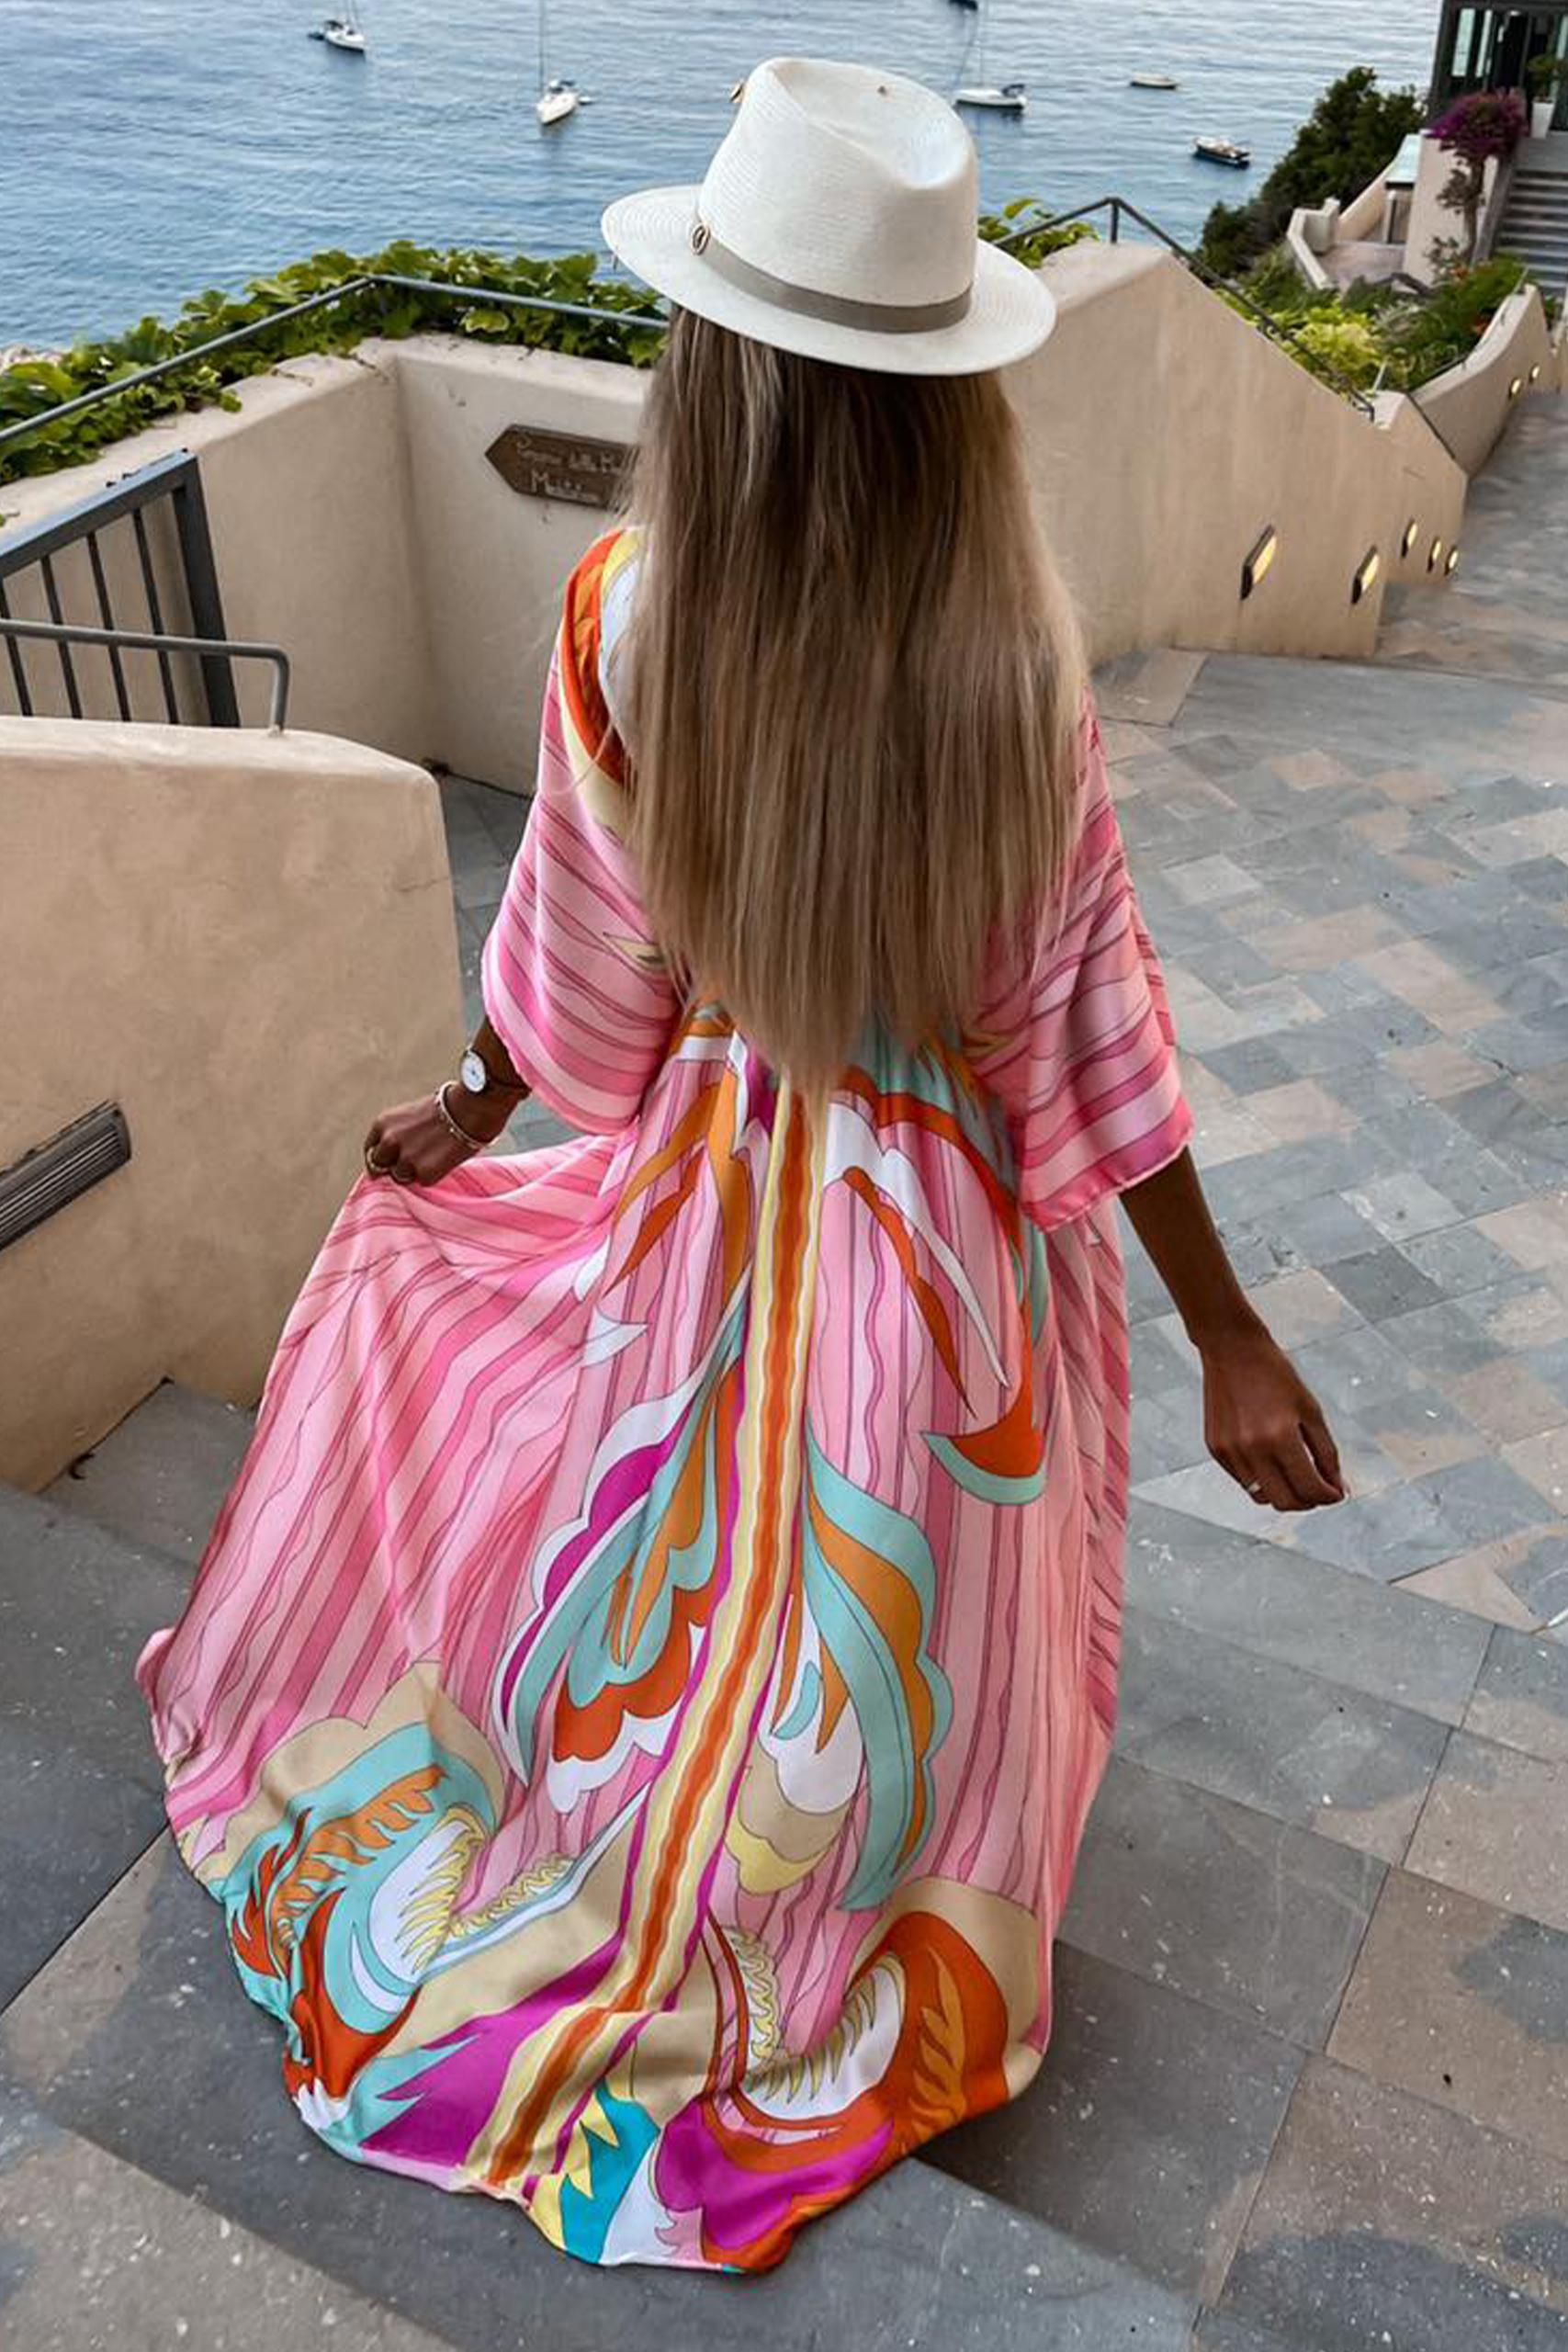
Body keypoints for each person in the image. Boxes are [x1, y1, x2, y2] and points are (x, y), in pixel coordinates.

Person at [137, 56, 1345, 2275]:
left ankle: (651, 1886)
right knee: (897, 1611)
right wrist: (1225, 1332)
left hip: (711, 1203)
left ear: (719, 364)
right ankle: (862, 1924)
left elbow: (586, 989)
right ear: (944, 404)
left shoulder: (629, 614)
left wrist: (472, 1109)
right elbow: (1082, 1033)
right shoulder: (1011, 665)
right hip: (948, 1265)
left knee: (682, 1567)